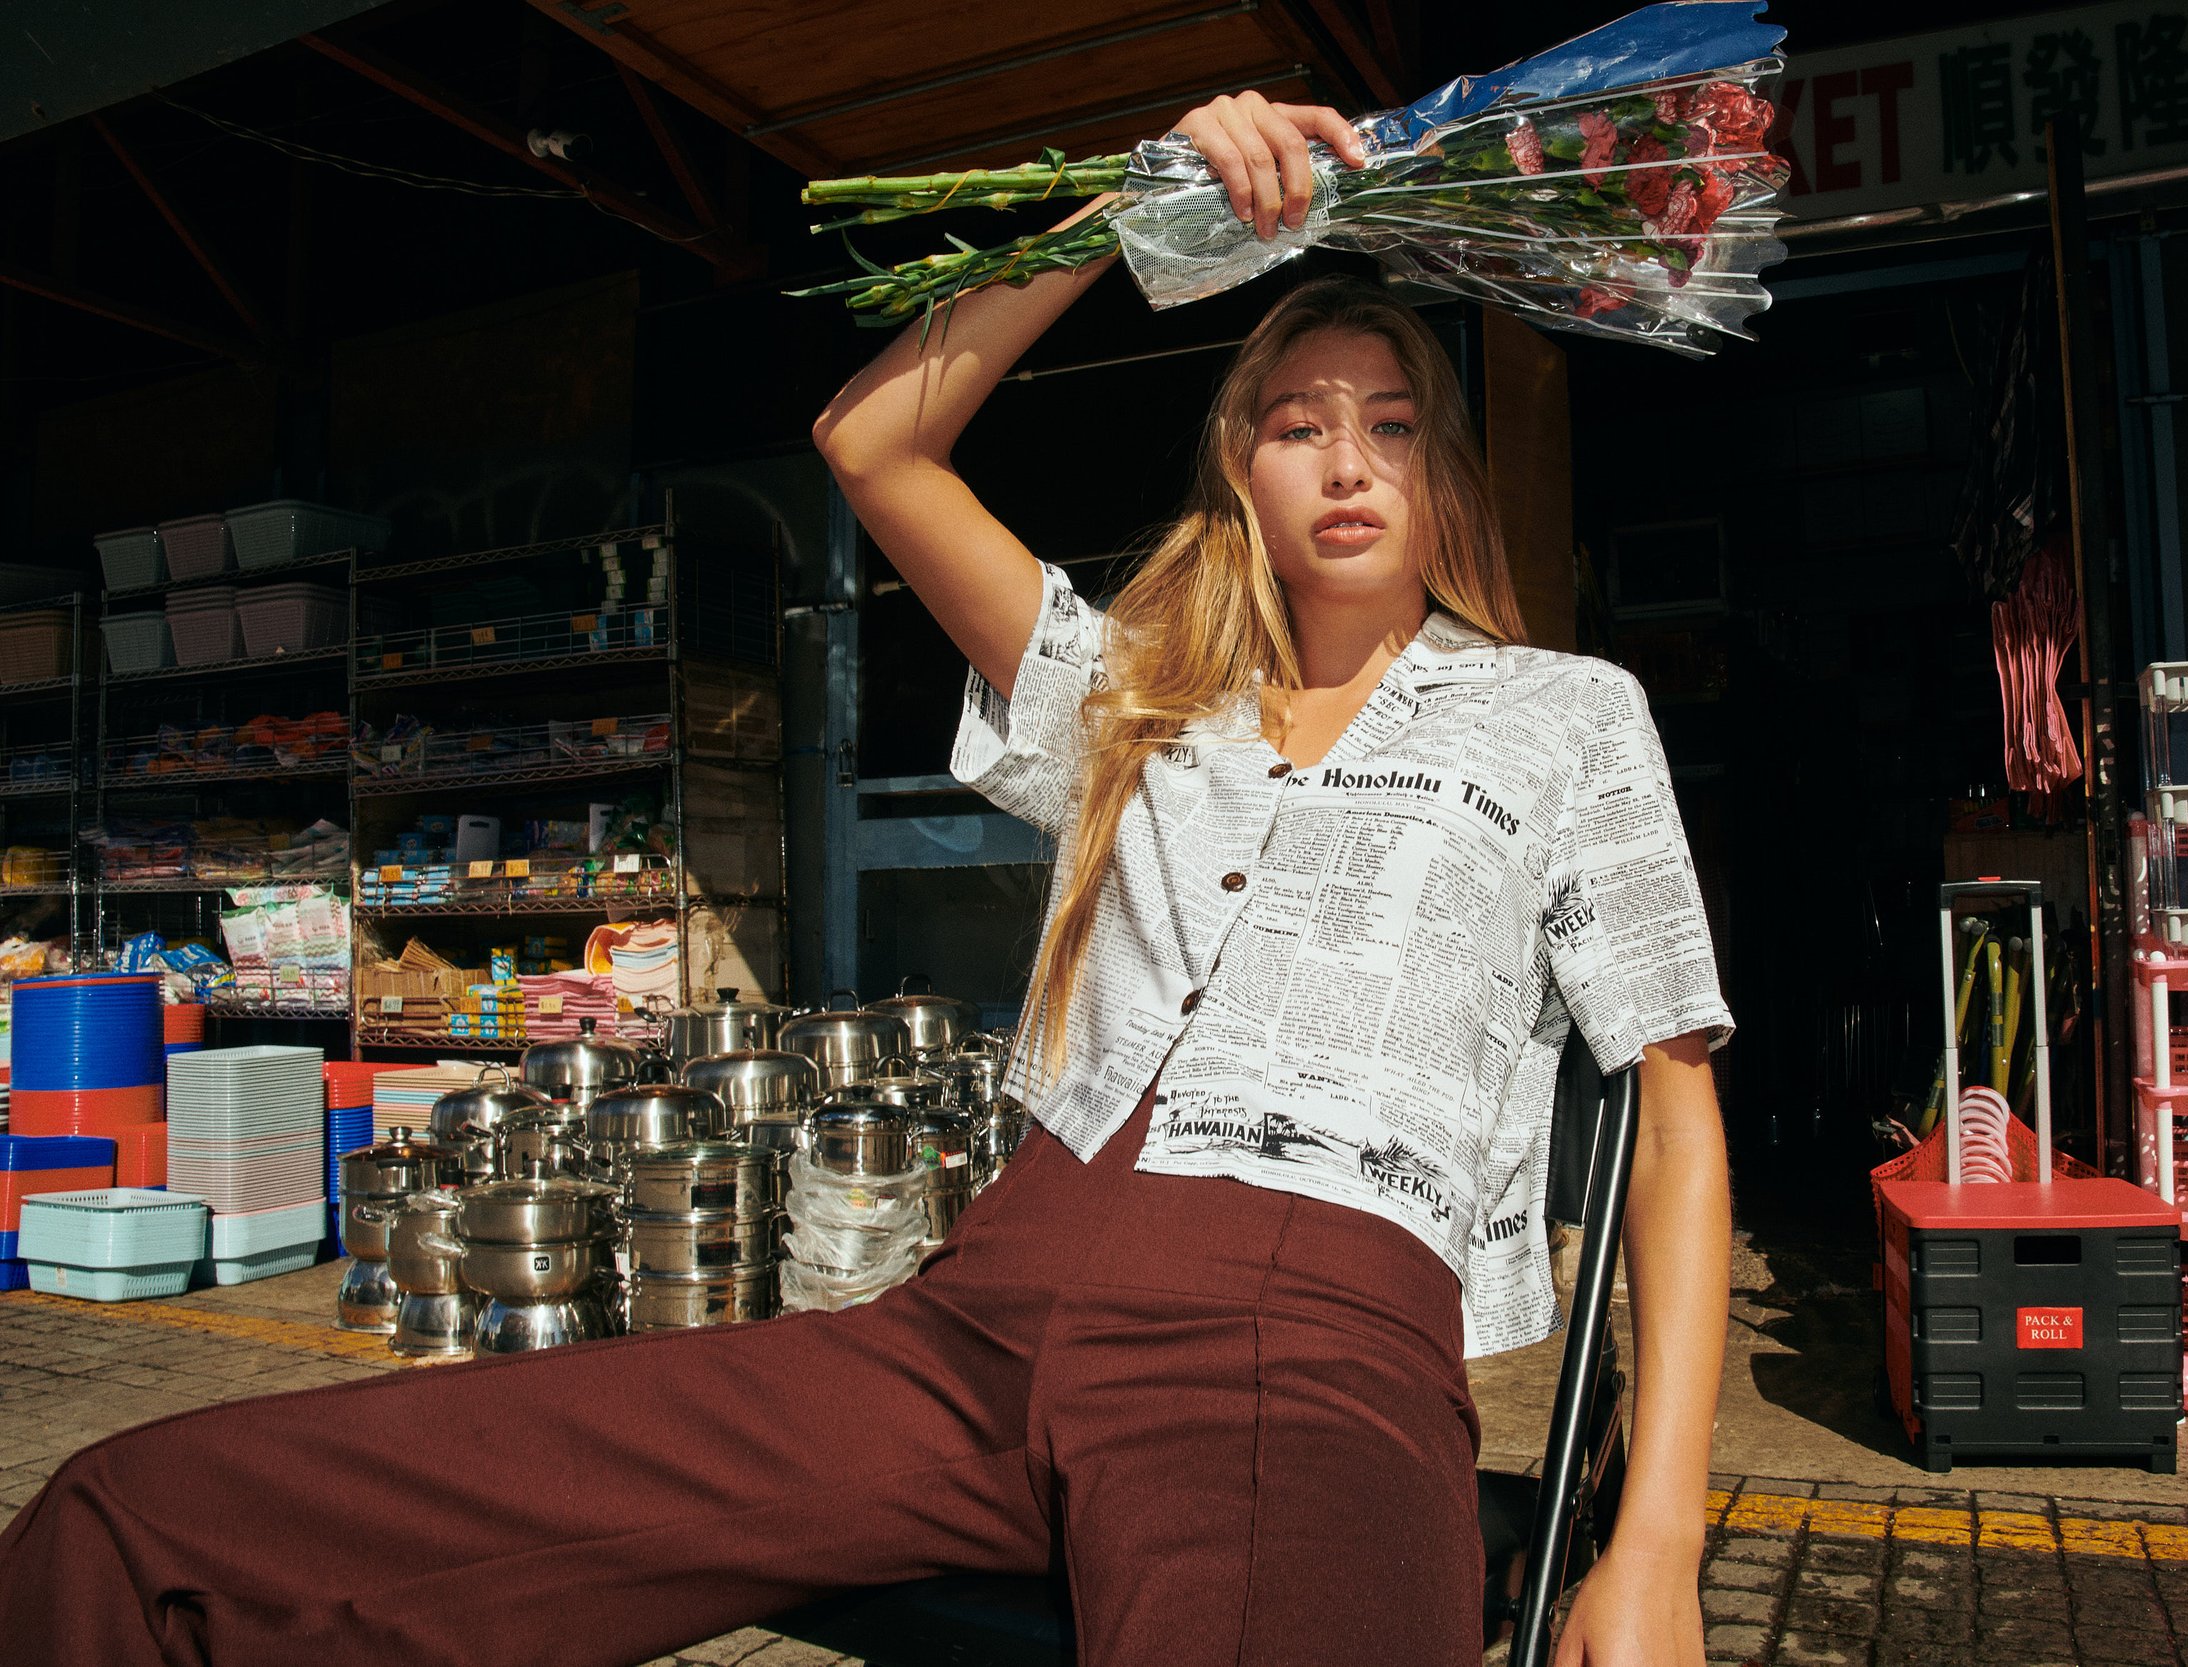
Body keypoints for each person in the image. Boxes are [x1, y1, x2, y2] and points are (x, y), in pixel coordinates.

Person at [0, 92, 1731, 1667]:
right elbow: (873, 447)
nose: (1346, 460)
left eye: (1393, 422)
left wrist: (1652, 1539)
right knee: (143, 1523)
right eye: (1294, 423)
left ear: (1447, 464)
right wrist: (1147, 212)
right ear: (1242, 476)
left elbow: (1670, 1111)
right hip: (977, 1315)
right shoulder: (1139, 695)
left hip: (1305, 1339)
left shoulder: (1564, 716)